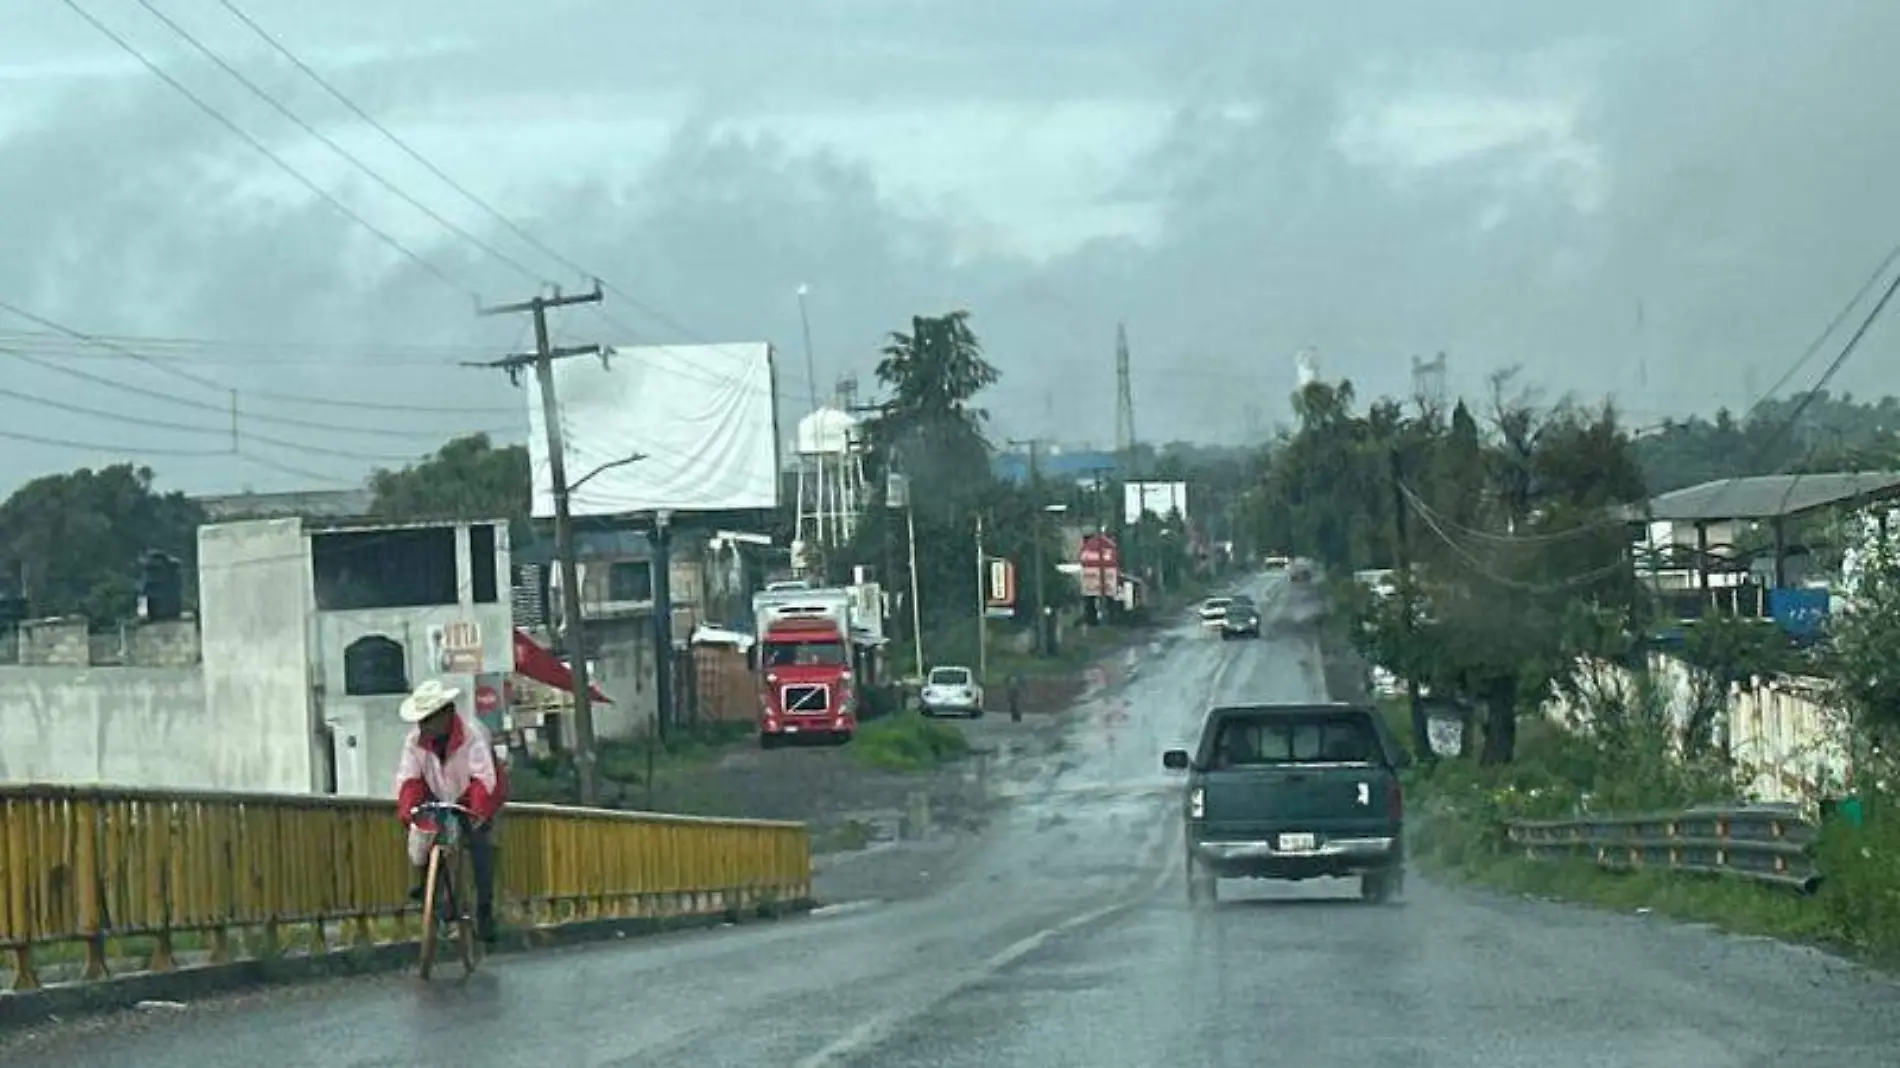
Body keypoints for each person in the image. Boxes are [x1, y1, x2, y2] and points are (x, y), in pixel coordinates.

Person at [394, 679, 507, 943]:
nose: (422, 725)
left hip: (474, 793)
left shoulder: (471, 735)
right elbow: (409, 778)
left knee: (480, 845)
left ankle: (484, 911)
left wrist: (477, 812)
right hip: (438, 792)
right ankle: (430, 892)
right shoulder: (414, 741)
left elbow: (484, 778)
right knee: (422, 835)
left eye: (428, 718)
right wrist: (409, 810)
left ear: (445, 715)